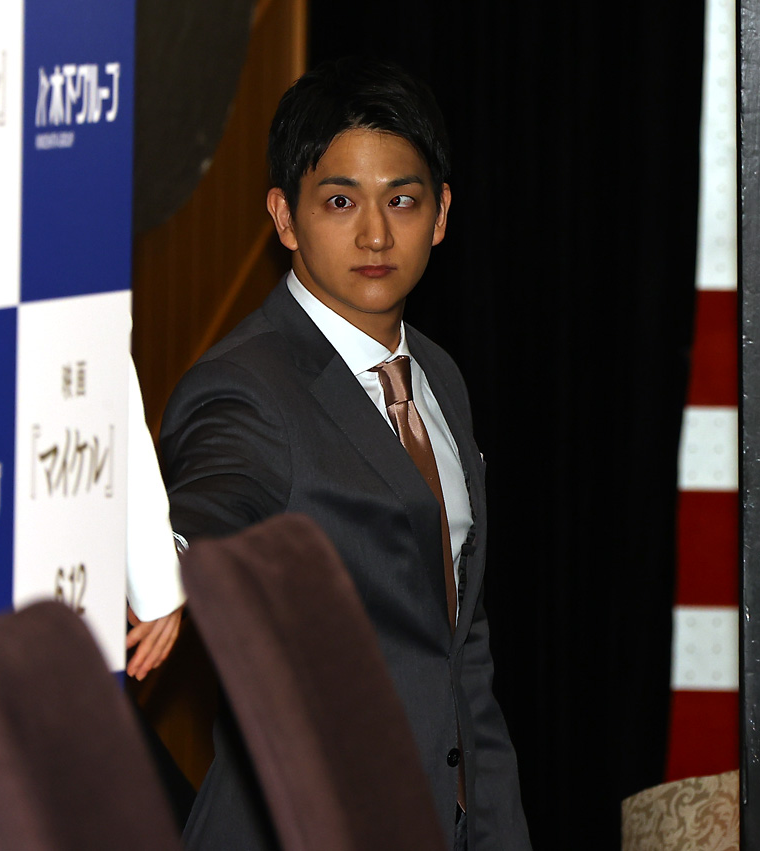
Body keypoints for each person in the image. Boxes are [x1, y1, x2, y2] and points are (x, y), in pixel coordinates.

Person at [150, 57, 532, 850]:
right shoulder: (244, 385)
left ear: (441, 214)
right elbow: (217, 489)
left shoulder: (438, 376)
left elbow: (462, 650)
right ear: (284, 218)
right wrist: (173, 560)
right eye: (339, 201)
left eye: (401, 200)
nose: (375, 234)